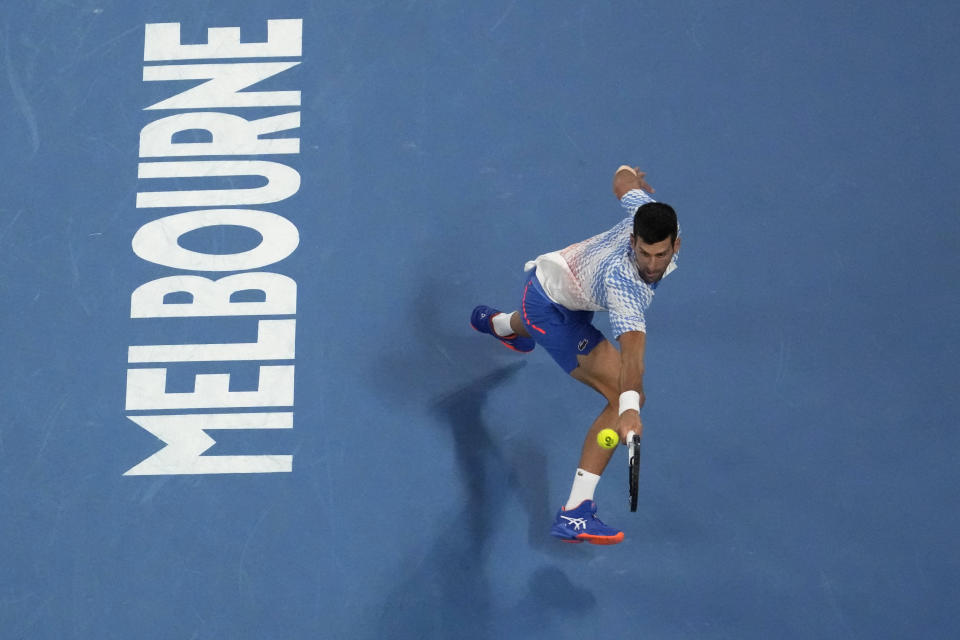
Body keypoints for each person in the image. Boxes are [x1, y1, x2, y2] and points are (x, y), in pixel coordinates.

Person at [470, 165, 681, 544]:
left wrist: (627, 172)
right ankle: (576, 512)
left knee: (537, 324)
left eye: (660, 255)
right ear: (633, 242)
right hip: (554, 304)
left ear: (675, 245)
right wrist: (630, 408)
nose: (651, 265)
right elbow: (632, 351)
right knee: (621, 394)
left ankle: (498, 324)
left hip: (560, 287)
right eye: (645, 253)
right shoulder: (625, 285)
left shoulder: (644, 210)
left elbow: (622, 182)